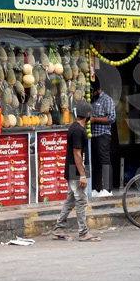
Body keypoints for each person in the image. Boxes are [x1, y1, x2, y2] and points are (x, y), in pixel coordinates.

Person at [52, 101, 99, 241]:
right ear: (88, 115)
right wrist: (82, 175)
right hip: (76, 170)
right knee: (81, 201)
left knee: (70, 200)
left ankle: (59, 229)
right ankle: (84, 233)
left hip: (72, 169)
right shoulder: (78, 130)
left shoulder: (74, 127)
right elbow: (77, 153)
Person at [89, 83, 117, 195]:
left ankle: (107, 189)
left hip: (103, 135)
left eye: (92, 91)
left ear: (98, 89)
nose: (91, 93)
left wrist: (94, 120)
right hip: (93, 136)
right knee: (95, 162)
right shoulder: (92, 100)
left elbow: (111, 118)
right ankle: (97, 188)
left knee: (104, 161)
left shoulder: (107, 100)